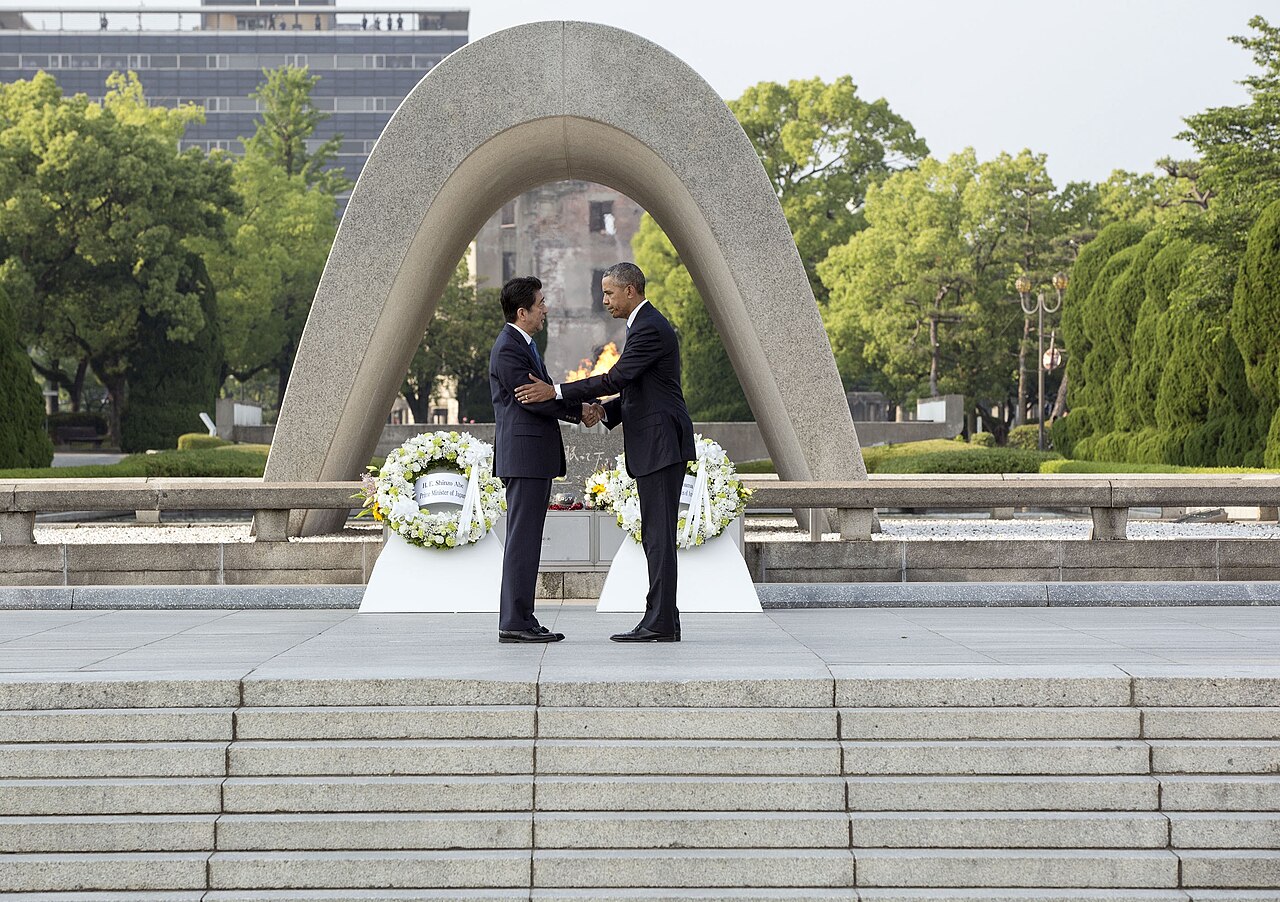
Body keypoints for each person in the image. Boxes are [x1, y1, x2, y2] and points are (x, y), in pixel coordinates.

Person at [516, 263, 694, 642]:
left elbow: (617, 378)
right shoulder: (642, 325)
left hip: (661, 444)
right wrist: (601, 411)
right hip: (657, 442)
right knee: (655, 534)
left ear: (631, 291)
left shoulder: (648, 326)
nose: (604, 300)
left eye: (610, 293)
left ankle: (660, 623)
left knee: (659, 536)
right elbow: (635, 389)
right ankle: (664, 618)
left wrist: (558, 393)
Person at [490, 277, 601, 644]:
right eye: (540, 303)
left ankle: (522, 617)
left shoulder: (525, 346)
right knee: (522, 540)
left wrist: (575, 406)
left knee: (528, 540)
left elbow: (542, 393)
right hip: (524, 458)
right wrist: (579, 409)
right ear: (522, 312)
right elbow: (533, 398)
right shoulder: (509, 348)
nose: (545, 309)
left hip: (532, 458)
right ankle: (514, 622)